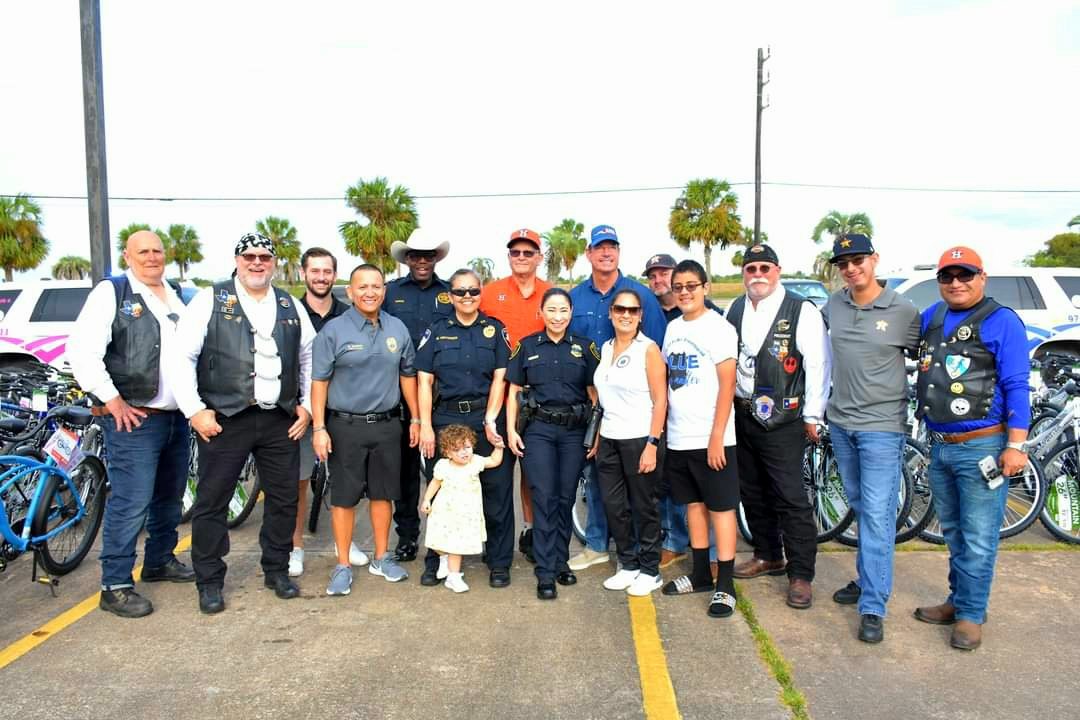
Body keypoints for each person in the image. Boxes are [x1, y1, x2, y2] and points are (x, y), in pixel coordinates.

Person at [171, 233, 315, 614]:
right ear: (237, 260)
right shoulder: (211, 299)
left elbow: (309, 357)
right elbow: (180, 357)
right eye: (249, 256)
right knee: (212, 501)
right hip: (225, 420)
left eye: (264, 257)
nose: (257, 263)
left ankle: (277, 569)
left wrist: (307, 406)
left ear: (274, 263)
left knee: (284, 498)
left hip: (279, 420)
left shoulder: (289, 303)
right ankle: (209, 580)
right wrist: (194, 410)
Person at [69, 230, 193, 618]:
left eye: (157, 250)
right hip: (135, 419)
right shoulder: (113, 293)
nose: (152, 257)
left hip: (175, 418)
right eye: (144, 251)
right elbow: (82, 350)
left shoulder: (173, 293)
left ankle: (159, 560)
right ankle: (116, 583)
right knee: (130, 502)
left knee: (169, 497)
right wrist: (112, 400)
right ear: (128, 255)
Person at [913, 246, 1029, 651]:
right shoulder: (933, 316)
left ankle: (971, 615)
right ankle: (957, 600)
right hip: (940, 447)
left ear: (983, 277)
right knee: (955, 533)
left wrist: (1016, 445)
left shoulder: (1003, 322)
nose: (956, 283)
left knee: (979, 538)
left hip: (983, 447)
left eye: (965, 275)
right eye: (948, 276)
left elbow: (1017, 385)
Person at [823, 233, 920, 643]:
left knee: (879, 516)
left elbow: (929, 359)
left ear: (875, 260)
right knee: (863, 508)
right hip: (841, 423)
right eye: (843, 262)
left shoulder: (904, 312)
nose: (850, 268)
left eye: (857, 259)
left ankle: (874, 606)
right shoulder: (834, 305)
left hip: (882, 428)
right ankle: (867, 581)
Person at [727, 244, 831, 610]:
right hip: (743, 415)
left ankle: (801, 574)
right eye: (751, 268)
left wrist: (813, 415)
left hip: (785, 420)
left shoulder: (801, 309)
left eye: (764, 268)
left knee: (789, 497)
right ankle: (768, 553)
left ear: (777, 270)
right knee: (753, 492)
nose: (757, 274)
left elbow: (819, 365)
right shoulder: (736, 306)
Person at [311, 264, 419, 596]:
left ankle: (382, 557)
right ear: (351, 291)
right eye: (363, 287)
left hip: (387, 425)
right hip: (345, 426)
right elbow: (319, 382)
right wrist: (319, 427)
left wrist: (415, 418)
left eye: (376, 286)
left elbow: (407, 376)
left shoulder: (397, 328)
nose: (370, 292)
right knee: (344, 498)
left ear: (384, 291)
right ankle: (343, 564)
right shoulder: (333, 331)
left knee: (383, 494)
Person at [568, 225, 666, 572]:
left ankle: (645, 557)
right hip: (591, 405)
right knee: (598, 482)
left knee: (641, 493)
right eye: (599, 247)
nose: (606, 252)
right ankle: (597, 544)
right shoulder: (576, 297)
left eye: (612, 247)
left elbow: (655, 352)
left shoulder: (640, 296)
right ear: (589, 253)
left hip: (637, 414)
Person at [415, 268, 515, 588]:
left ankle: (498, 562)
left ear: (480, 293)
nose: (467, 297)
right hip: (446, 420)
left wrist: (490, 419)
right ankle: (436, 560)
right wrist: (426, 425)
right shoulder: (437, 330)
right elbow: (424, 380)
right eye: (460, 292)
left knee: (497, 491)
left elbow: (501, 376)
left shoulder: (494, 330)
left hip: (486, 417)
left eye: (473, 291)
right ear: (451, 295)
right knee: (443, 493)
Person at [506, 288, 601, 600]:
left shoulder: (586, 348)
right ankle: (545, 571)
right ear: (541, 313)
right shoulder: (527, 346)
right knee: (544, 497)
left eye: (563, 310)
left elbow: (594, 394)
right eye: (551, 310)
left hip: (574, 431)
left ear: (570, 313)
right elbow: (514, 391)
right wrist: (511, 429)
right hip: (539, 431)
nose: (557, 316)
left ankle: (561, 561)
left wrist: (596, 433)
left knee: (564, 498)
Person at [660, 260, 740, 619]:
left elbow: (728, 385)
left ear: (705, 287)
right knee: (693, 506)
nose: (685, 292)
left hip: (713, 437)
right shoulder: (673, 327)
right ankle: (699, 572)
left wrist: (717, 437)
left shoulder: (719, 328)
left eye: (692, 285)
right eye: (678, 286)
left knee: (721, 508)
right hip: (680, 436)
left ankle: (724, 582)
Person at [479, 228, 552, 564]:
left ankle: (531, 529)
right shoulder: (491, 293)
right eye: (515, 252)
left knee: (534, 473)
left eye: (528, 252)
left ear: (539, 257)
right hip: (497, 395)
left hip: (540, 398)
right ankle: (493, 539)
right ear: (508, 256)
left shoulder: (551, 294)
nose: (521, 258)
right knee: (497, 473)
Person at [289, 247, 362, 578]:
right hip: (301, 411)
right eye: (314, 271)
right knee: (299, 481)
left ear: (335, 275)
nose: (321, 277)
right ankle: (296, 547)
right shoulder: (288, 313)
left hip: (342, 409)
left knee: (346, 480)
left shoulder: (349, 315)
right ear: (304, 273)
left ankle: (343, 543)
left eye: (327, 271)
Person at [592, 289, 668, 596]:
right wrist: (597, 436)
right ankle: (629, 564)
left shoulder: (648, 349)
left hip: (640, 438)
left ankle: (650, 569)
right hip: (609, 438)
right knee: (615, 506)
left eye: (632, 310)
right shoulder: (606, 347)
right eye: (620, 309)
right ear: (611, 313)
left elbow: (661, 399)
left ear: (640, 316)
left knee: (644, 506)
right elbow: (601, 397)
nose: (626, 315)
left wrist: (652, 442)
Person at [383, 229, 452, 562]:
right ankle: (407, 536)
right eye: (416, 255)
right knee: (405, 472)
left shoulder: (451, 292)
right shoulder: (390, 293)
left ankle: (440, 542)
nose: (422, 261)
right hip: (400, 394)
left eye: (428, 255)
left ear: (436, 258)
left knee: (441, 470)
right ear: (407, 258)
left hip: (443, 394)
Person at [421, 425, 506, 593]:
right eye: (457, 449)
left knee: (456, 546)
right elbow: (435, 483)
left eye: (467, 447)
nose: (464, 452)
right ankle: (443, 558)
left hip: (465, 514)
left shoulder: (474, 462)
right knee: (437, 539)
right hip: (444, 511)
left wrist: (498, 447)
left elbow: (494, 461)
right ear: (447, 452)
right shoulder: (443, 465)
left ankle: (453, 577)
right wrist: (426, 499)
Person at [644, 252, 723, 322]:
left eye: (664, 274)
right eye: (652, 277)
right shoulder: (645, 308)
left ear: (676, 275)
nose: (657, 280)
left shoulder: (701, 305)